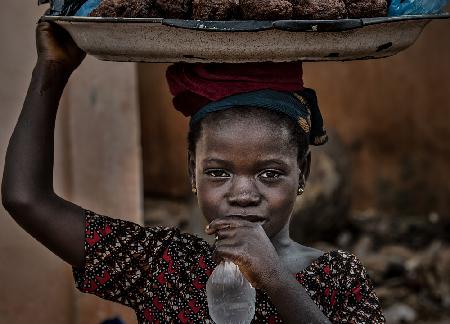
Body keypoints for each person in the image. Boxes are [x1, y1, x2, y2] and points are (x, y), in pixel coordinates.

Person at [1, 22, 385, 324]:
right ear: (192, 170)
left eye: (269, 174)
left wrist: (275, 278)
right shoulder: (163, 266)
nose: (243, 194)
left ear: (302, 173)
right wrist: (50, 69)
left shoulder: (337, 278)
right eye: (218, 173)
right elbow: (26, 198)